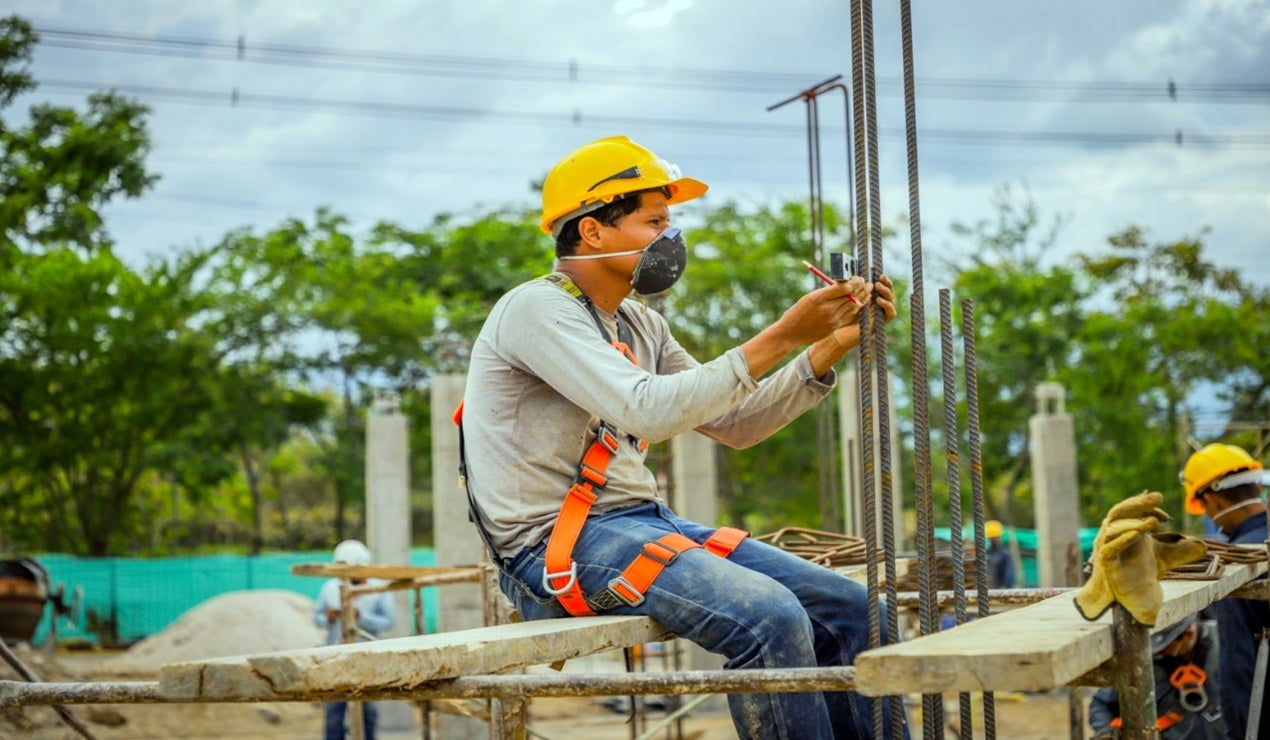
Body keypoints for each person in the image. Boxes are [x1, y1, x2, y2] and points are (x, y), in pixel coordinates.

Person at [459, 135, 906, 739]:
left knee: (859, 614)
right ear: (592, 231)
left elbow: (736, 422)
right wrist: (783, 333)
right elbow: (647, 410)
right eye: (653, 222)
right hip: (550, 547)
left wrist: (828, 345)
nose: (670, 237)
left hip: (643, 524)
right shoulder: (535, 309)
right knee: (768, 617)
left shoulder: (641, 323)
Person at [1181, 442, 1267, 739]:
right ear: (1257, 486)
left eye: (1205, 507)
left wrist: (1237, 733)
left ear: (1212, 499)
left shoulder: (1237, 564)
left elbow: (1237, 666)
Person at [1088, 614, 1226, 738]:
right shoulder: (1144, 663)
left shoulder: (1226, 647)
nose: (1155, 653)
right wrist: (1105, 732)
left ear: (1188, 634)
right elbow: (1101, 703)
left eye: (1164, 646)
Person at [312, 539, 396, 740]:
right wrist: (328, 617)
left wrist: (361, 617)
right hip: (334, 656)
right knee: (334, 710)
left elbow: (389, 621)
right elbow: (316, 618)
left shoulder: (377, 589)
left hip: (367, 657)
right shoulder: (330, 588)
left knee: (368, 709)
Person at [985, 519, 1015, 588]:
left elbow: (1009, 576)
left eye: (995, 538)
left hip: (999, 589)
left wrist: (1006, 588)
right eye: (992, 538)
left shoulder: (1005, 554)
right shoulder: (986, 553)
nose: (993, 540)